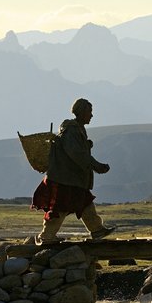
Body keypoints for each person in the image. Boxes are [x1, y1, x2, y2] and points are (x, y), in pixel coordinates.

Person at [32, 97, 115, 243]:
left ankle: (97, 230)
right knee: (60, 208)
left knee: (85, 203)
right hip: (64, 179)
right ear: (82, 112)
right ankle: (46, 236)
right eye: (89, 112)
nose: (91, 115)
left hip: (71, 178)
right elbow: (77, 154)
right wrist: (96, 165)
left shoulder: (76, 130)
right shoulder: (72, 131)